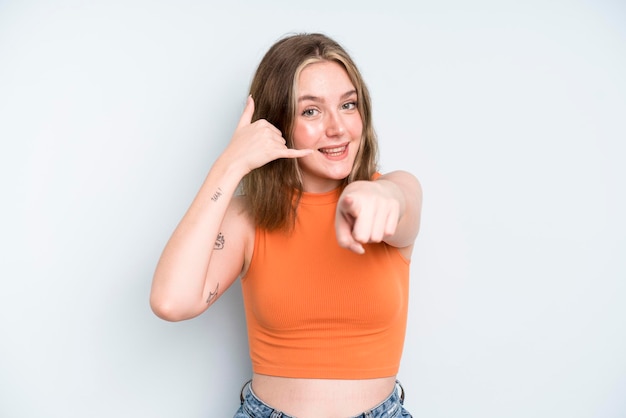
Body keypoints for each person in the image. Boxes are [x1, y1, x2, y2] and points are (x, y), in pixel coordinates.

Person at [150, 32, 422, 418]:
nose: (338, 128)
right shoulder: (249, 218)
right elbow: (171, 301)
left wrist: (380, 197)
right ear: (277, 123)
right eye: (310, 111)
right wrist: (230, 165)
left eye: (348, 105)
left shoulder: (393, 190)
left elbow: (401, 202)